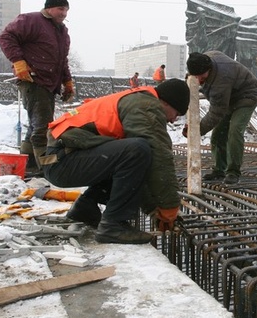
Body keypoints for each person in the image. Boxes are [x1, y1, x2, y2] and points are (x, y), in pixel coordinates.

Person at [41, 78, 190, 244]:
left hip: (61, 160)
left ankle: (85, 208)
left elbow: (136, 171)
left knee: (130, 153)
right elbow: (158, 157)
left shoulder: (138, 101)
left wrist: (154, 209)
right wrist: (169, 207)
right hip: (63, 162)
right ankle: (113, 225)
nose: (174, 120)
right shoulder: (146, 107)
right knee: (137, 149)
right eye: (177, 114)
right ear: (167, 103)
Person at [0, 0, 74, 177]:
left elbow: (61, 60)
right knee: (42, 127)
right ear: (49, 8)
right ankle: (46, 168)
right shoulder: (31, 20)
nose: (64, 13)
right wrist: (18, 61)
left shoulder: (62, 32)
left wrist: (67, 81)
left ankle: (27, 164)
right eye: (60, 9)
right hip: (34, 80)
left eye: (66, 10)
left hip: (50, 83)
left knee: (35, 126)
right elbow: (6, 37)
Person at [185, 51, 257, 184]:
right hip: (229, 96)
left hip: (246, 96)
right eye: (194, 76)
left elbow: (217, 112)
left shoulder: (221, 79)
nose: (199, 81)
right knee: (218, 134)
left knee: (234, 130)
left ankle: (233, 171)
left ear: (208, 69)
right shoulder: (206, 59)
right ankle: (219, 170)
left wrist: (196, 130)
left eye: (200, 77)